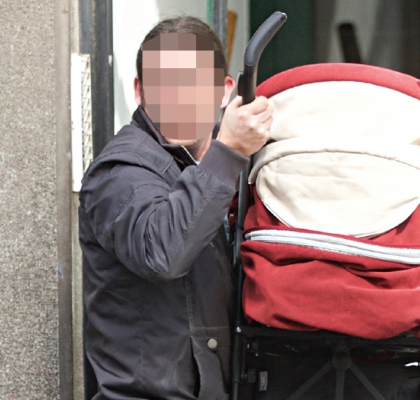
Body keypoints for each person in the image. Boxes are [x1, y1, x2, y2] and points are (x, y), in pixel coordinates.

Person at [78, 16, 273, 399]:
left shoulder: (220, 164)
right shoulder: (119, 170)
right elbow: (163, 252)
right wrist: (228, 151)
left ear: (223, 91)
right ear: (140, 91)